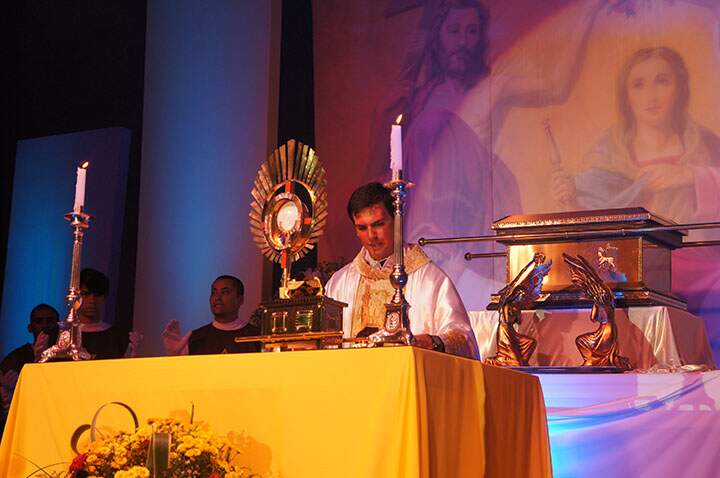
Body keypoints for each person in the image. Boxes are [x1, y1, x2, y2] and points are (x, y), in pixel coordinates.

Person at [366, 0, 618, 310]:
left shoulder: (493, 86)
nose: (462, 41)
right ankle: (424, 258)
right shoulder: (421, 97)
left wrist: (590, 10)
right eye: (454, 31)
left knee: (434, 123)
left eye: (471, 31)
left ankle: (435, 250)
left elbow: (556, 85)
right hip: (430, 213)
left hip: (476, 206)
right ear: (438, 36)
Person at [550, 45, 720, 363]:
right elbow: (595, 215)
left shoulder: (706, 145)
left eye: (662, 81)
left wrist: (692, 176)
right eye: (638, 85)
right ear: (626, 96)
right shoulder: (608, 153)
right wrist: (569, 197)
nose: (651, 95)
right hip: (635, 266)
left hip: (698, 261)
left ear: (680, 88)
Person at [324, 182, 480, 359]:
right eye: (362, 228)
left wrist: (432, 342)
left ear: (397, 222)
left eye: (378, 224)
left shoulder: (429, 279)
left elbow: (463, 337)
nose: (371, 236)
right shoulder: (339, 283)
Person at [162, 275, 261, 355]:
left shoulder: (256, 336)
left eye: (225, 292)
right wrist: (174, 356)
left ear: (240, 300)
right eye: (213, 292)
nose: (217, 297)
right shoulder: (196, 339)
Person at [1, 304, 59, 432]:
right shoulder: (15, 358)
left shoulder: (66, 357)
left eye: (50, 321)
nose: (44, 325)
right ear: (30, 328)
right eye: (39, 321)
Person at [78, 268, 138, 359]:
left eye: (97, 295)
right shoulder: (64, 334)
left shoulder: (118, 337)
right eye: (86, 294)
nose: (92, 300)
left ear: (105, 297)